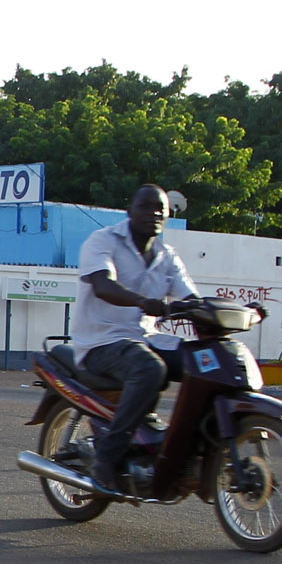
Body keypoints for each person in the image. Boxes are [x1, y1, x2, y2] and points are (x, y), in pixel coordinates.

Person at [71, 184, 198, 497]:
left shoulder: (167, 257)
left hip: (144, 339)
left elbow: (190, 298)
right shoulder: (103, 241)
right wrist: (145, 302)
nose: (154, 213)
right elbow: (103, 286)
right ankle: (106, 459)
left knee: (201, 363)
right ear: (130, 209)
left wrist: (236, 311)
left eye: (161, 209)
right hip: (101, 342)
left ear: (169, 215)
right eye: (146, 206)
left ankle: (182, 448)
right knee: (150, 369)